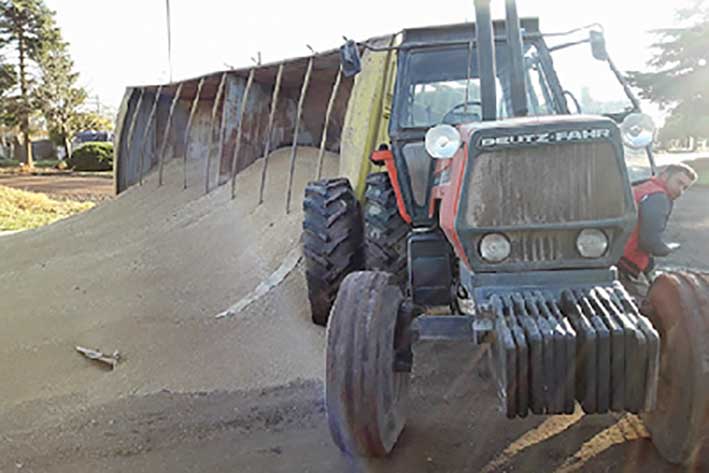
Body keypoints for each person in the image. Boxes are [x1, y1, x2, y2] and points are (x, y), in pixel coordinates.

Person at [618, 163, 698, 287]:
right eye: (679, 182)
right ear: (665, 175)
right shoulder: (658, 197)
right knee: (650, 300)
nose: (680, 191)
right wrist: (666, 249)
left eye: (685, 188)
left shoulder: (643, 186)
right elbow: (649, 242)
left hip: (614, 253)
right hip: (627, 262)